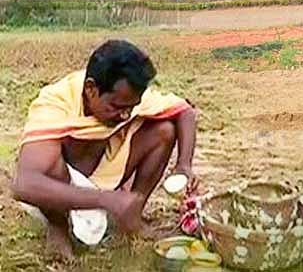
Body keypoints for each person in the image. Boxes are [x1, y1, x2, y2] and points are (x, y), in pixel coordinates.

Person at [11, 39, 198, 258]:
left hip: (105, 170)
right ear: (91, 89)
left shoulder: (125, 93)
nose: (126, 115)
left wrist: (184, 165)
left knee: (164, 130)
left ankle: (130, 216)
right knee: (48, 164)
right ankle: (58, 226)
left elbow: (185, 112)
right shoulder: (55, 103)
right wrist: (105, 199)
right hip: (65, 183)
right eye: (117, 108)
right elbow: (24, 184)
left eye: (132, 107)